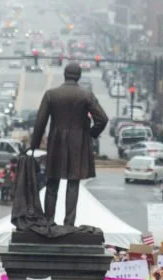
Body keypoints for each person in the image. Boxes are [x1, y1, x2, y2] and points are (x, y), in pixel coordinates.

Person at [29, 61, 108, 227]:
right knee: (73, 183)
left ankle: (49, 221)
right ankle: (69, 224)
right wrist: (91, 133)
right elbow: (102, 119)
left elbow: (40, 122)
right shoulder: (86, 95)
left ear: (64, 75)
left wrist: (34, 144)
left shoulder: (51, 94)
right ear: (78, 76)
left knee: (52, 182)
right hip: (78, 144)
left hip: (56, 142)